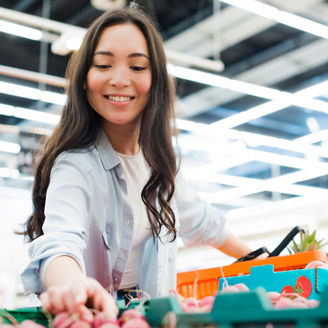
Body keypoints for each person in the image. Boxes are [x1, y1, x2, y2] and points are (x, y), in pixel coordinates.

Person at [20, 3, 256, 321]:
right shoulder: (75, 166)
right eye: (103, 65)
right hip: (91, 319)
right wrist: (75, 287)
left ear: (155, 79)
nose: (119, 79)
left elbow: (204, 223)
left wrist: (262, 257)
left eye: (137, 67)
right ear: (84, 79)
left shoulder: (161, 168)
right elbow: (61, 241)